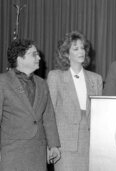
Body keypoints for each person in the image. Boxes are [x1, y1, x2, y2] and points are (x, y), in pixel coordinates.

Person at [0, 39, 61, 171]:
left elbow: (48, 116)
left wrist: (53, 145)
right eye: (34, 54)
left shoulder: (42, 84)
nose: (39, 57)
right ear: (20, 59)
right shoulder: (3, 82)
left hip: (37, 152)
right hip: (11, 153)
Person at [47, 31, 103, 171]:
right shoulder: (55, 77)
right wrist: (51, 145)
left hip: (90, 144)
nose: (81, 51)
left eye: (83, 48)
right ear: (66, 54)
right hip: (64, 145)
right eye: (76, 48)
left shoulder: (96, 79)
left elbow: (99, 115)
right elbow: (49, 114)